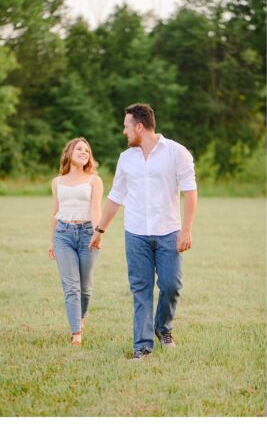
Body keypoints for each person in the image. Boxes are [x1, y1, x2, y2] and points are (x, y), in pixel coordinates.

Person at [89, 103, 198, 361]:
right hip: (136, 233)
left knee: (172, 285)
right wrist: (100, 229)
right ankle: (143, 346)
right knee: (141, 289)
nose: (124, 131)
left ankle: (163, 328)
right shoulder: (126, 159)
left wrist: (187, 230)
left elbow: (190, 192)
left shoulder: (176, 152)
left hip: (168, 231)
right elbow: (116, 197)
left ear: (139, 127)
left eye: (127, 127)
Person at [49, 137, 104, 347]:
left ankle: (81, 317)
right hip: (63, 234)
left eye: (87, 151)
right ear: (69, 152)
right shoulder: (57, 182)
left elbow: (95, 209)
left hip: (87, 233)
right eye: (79, 149)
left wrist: (97, 233)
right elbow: (55, 211)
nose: (84, 152)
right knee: (71, 287)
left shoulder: (94, 180)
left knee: (85, 286)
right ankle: (76, 333)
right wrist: (51, 241)